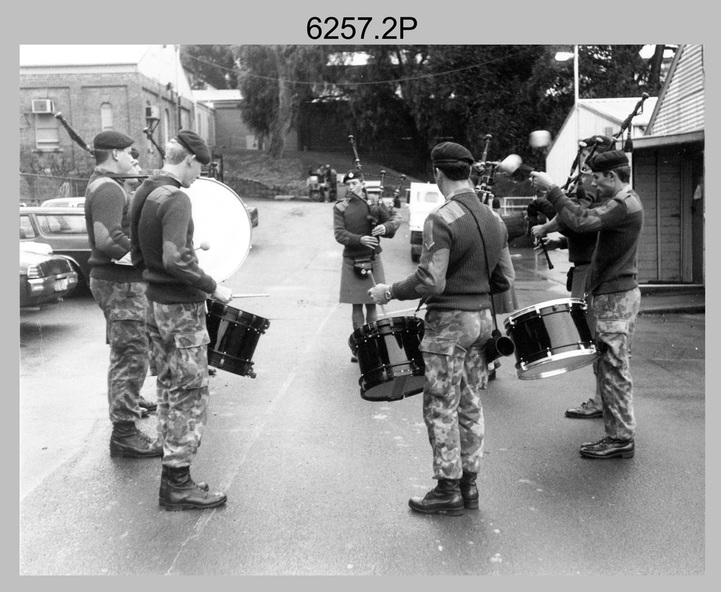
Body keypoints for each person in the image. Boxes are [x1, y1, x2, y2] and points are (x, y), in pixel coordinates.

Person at [369, 142, 509, 515]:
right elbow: (505, 278)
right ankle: (469, 486)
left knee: (441, 406)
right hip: (482, 321)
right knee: (470, 403)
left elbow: (431, 281)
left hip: (449, 325)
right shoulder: (495, 219)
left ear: (438, 173)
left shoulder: (442, 218)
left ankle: (447, 490)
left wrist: (390, 291)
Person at [130, 130, 233, 510]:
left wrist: (152, 279)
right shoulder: (176, 198)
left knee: (170, 387)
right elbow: (175, 257)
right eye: (199, 169)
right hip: (181, 309)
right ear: (188, 159)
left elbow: (135, 250)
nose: (198, 177)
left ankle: (172, 471)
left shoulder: (145, 190)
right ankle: (177, 483)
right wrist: (211, 287)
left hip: (155, 304)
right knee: (190, 393)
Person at [530, 150, 643, 459]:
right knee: (610, 366)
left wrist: (552, 190)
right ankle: (618, 434)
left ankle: (620, 438)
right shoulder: (624, 203)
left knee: (613, 368)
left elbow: (581, 221)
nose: (592, 181)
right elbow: (587, 229)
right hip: (615, 295)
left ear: (612, 177)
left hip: (615, 299)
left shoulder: (622, 205)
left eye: (596, 176)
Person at [84, 131, 161, 459]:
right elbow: (106, 238)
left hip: (119, 284)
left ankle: (127, 410)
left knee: (127, 352)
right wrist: (143, 257)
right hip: (121, 284)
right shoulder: (108, 188)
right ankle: (124, 435)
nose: (133, 158)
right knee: (131, 355)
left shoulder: (108, 183)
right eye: (130, 153)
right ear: (114, 154)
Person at [528, 135, 613, 419]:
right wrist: (560, 243)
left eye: (588, 152)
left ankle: (603, 402)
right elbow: (584, 228)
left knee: (594, 337)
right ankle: (603, 399)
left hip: (590, 270)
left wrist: (546, 228)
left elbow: (574, 217)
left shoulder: (592, 186)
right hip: (587, 265)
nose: (583, 158)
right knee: (595, 337)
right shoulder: (596, 186)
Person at [334, 170, 401, 362]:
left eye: (355, 183)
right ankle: (360, 348)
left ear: (363, 184)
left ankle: (372, 346)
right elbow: (339, 234)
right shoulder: (341, 207)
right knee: (356, 305)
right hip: (352, 260)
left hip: (373, 258)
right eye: (348, 184)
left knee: (372, 304)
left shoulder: (375, 203)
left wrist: (385, 227)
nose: (351, 187)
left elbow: (394, 219)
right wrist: (360, 239)